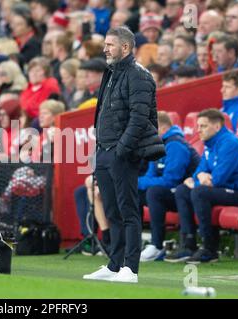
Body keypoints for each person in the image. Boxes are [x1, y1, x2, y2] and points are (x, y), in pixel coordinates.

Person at [83, 26, 165, 283]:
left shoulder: (139, 75)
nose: (105, 49)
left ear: (126, 47)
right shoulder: (111, 72)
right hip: (105, 151)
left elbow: (140, 118)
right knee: (112, 210)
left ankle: (131, 268)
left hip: (122, 153)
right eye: (105, 44)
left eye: (110, 44)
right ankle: (114, 264)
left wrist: (122, 149)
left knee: (128, 210)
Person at [165, 108, 238, 264]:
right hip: (227, 189)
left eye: (203, 126)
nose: (198, 130)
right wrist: (199, 178)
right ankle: (188, 244)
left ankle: (210, 249)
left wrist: (199, 180)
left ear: (217, 126)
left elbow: (216, 180)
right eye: (198, 126)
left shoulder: (230, 143)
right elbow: (199, 172)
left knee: (200, 192)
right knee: (182, 190)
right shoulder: (210, 144)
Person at [139, 111, 201, 262]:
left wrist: (137, 182)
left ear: (160, 127)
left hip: (187, 194)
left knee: (154, 192)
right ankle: (132, 242)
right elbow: (150, 175)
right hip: (172, 193)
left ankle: (157, 244)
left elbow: (171, 180)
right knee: (136, 192)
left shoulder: (175, 145)